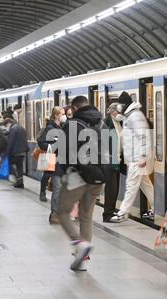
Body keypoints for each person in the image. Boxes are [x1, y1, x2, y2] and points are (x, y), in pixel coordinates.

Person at [56, 96, 105, 272]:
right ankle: (82, 260)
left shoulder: (72, 124)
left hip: (77, 175)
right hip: (97, 176)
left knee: (61, 211)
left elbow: (64, 153)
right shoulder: (102, 122)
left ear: (75, 108)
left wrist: (65, 169)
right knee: (86, 216)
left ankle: (79, 243)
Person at [110, 91, 155, 222]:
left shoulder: (135, 116)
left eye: (119, 105)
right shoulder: (131, 115)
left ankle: (123, 213)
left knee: (131, 186)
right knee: (147, 186)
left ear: (124, 104)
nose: (119, 107)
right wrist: (115, 115)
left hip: (137, 158)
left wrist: (142, 157)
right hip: (135, 158)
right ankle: (156, 209)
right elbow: (124, 120)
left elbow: (144, 137)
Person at [37, 107, 66, 224]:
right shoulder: (50, 128)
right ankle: (54, 214)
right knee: (57, 188)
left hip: (61, 162)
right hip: (54, 162)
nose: (64, 116)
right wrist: (52, 147)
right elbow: (41, 142)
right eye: (62, 114)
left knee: (60, 189)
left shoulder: (60, 127)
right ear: (56, 115)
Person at [102, 102, 125, 222]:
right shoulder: (107, 123)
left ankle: (111, 210)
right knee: (111, 188)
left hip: (117, 160)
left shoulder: (118, 123)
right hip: (109, 160)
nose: (120, 114)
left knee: (114, 187)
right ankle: (107, 214)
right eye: (118, 112)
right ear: (112, 112)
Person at [4, 118, 29, 188]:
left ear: (9, 123)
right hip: (23, 151)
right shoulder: (22, 128)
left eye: (6, 125)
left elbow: (10, 142)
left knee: (12, 165)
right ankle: (20, 182)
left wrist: (7, 152)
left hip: (15, 152)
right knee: (20, 167)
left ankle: (18, 181)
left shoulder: (13, 129)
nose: (7, 127)